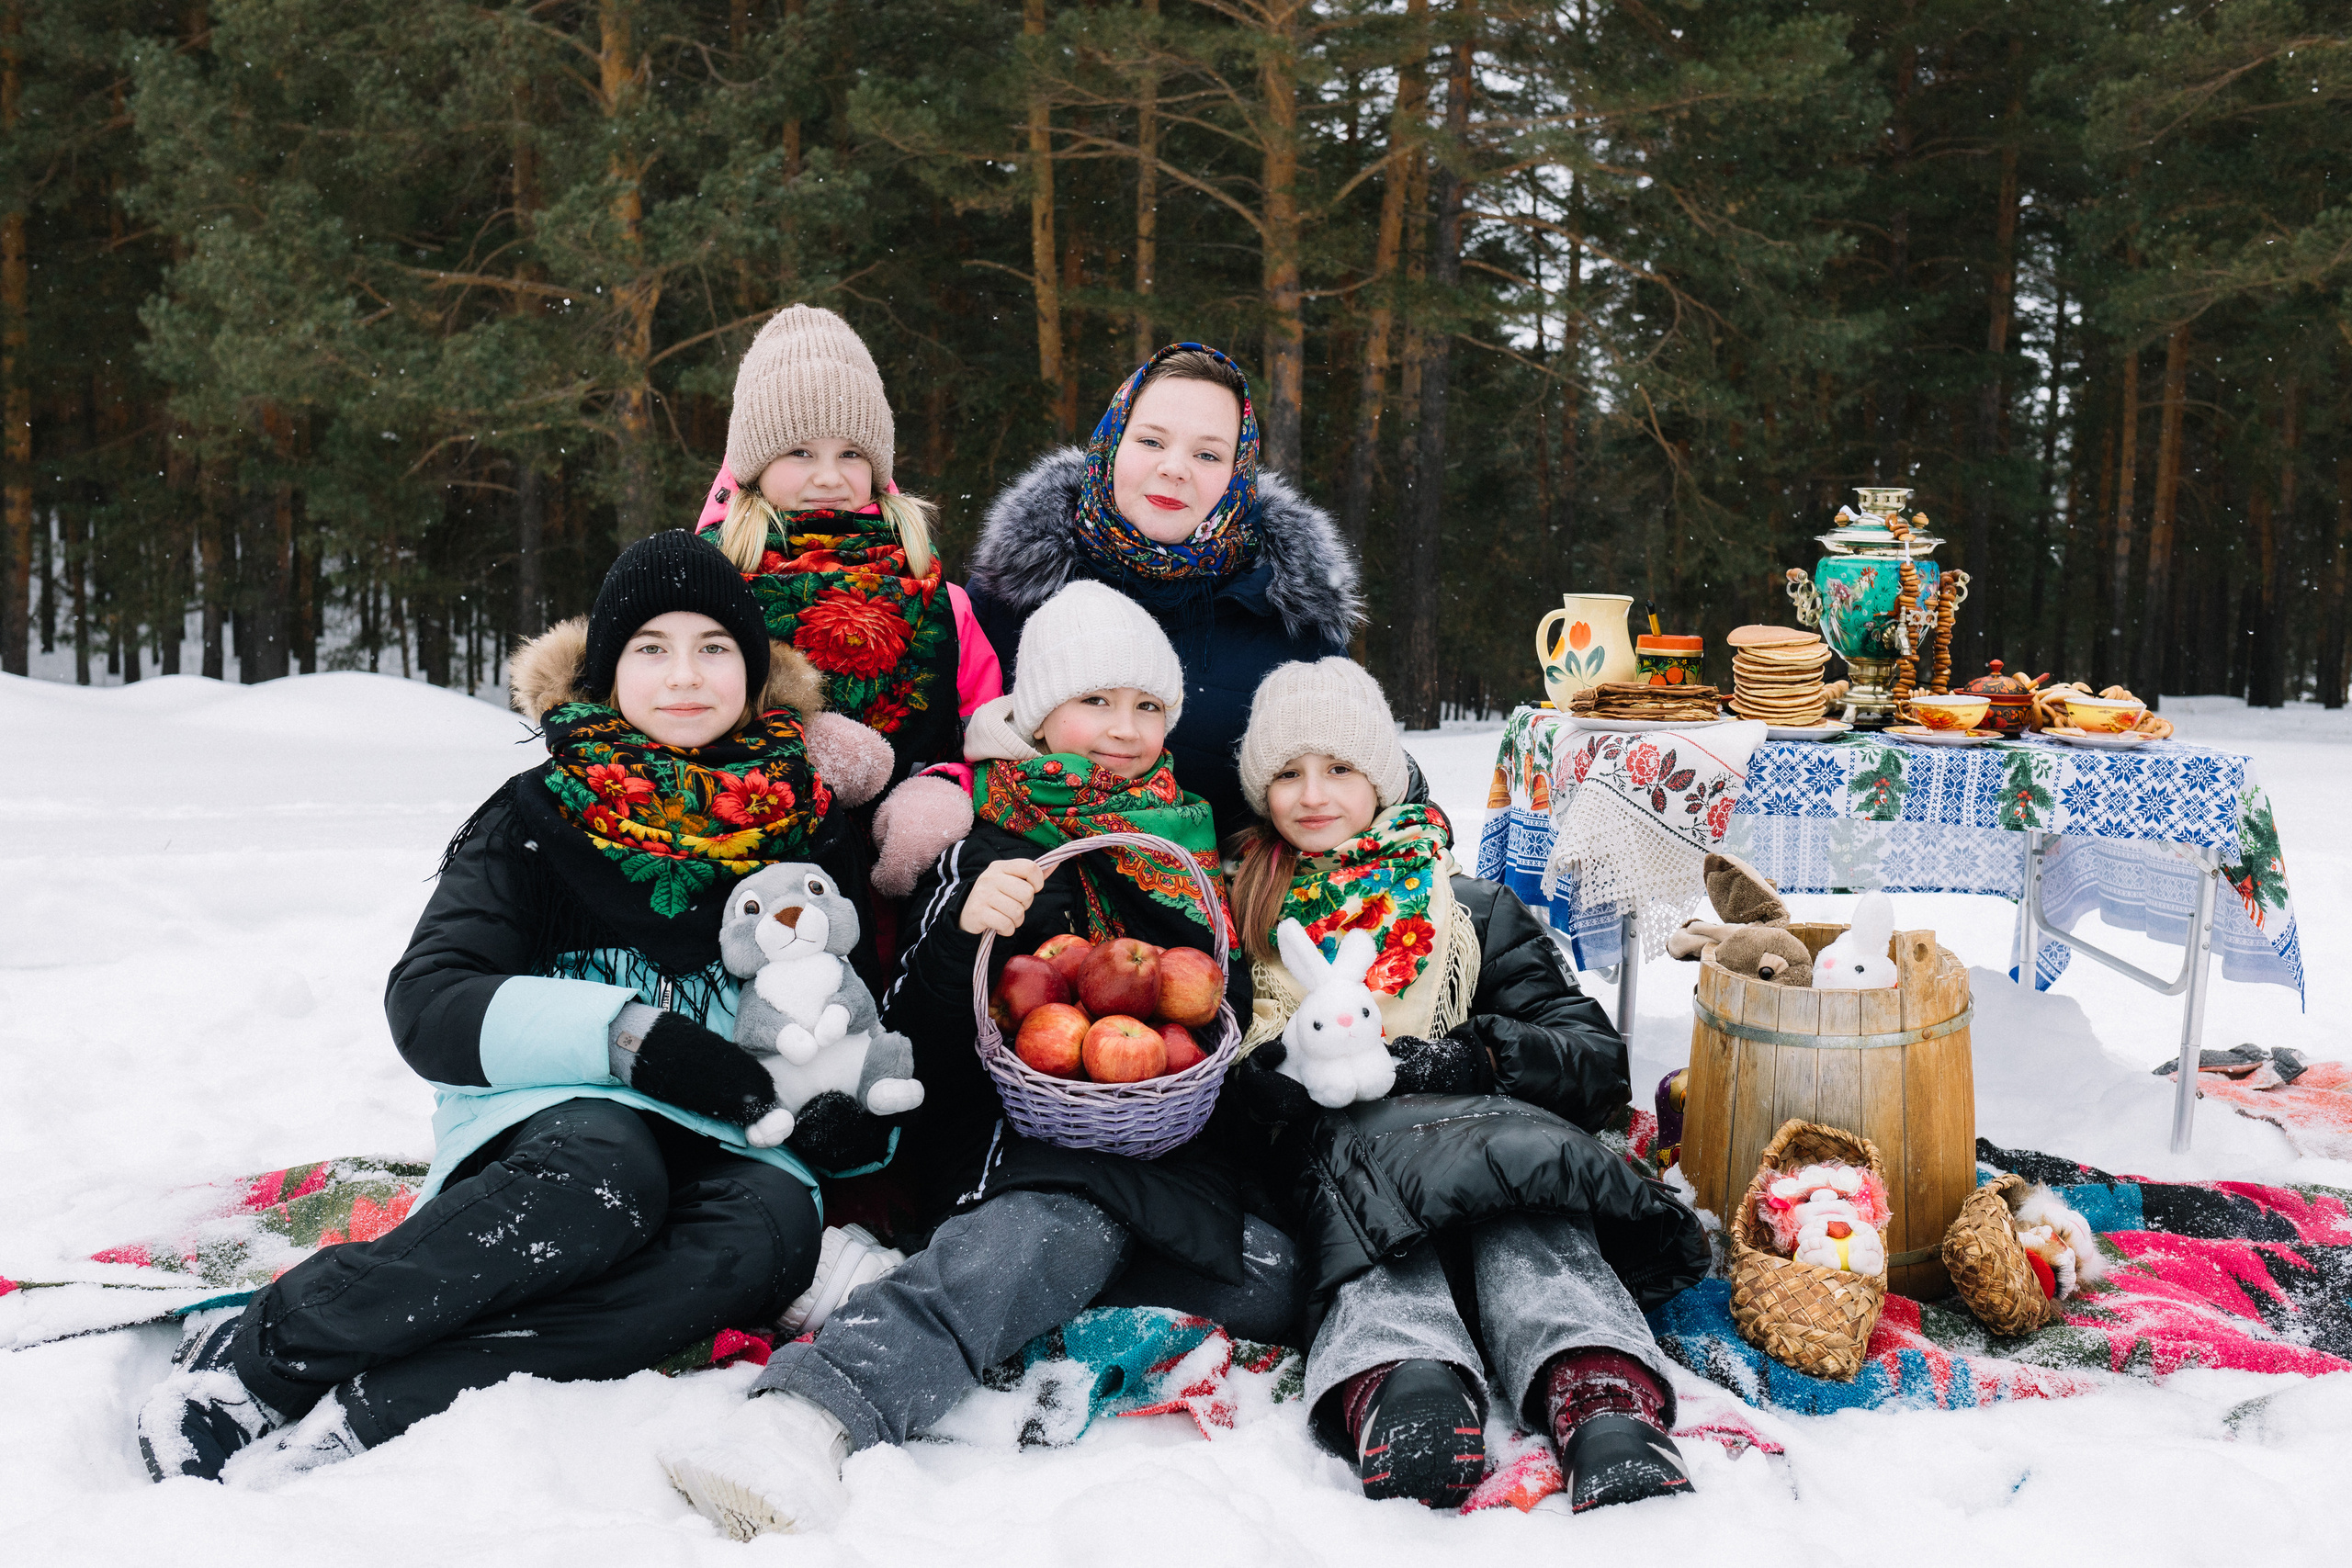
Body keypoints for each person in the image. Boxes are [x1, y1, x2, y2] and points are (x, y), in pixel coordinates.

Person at [134, 531, 894, 1483]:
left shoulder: (811, 824)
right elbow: (430, 1001)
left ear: (753, 670)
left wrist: (844, 1122)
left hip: (739, 1131)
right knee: (604, 1180)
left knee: (760, 1241)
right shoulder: (533, 814)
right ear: (608, 669)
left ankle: (394, 1403)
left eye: (713, 647)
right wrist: (629, 1040)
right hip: (557, 1113)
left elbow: (846, 1013)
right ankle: (261, 1366)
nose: (684, 675)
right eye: (650, 648)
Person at [659, 580, 1298, 1541]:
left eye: (1147, 706)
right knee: (1061, 1226)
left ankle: (926, 1294)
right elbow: (913, 1030)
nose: (1123, 729)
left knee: (1276, 1281)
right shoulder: (981, 835)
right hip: (1017, 1139)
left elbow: (1226, 1013)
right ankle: (811, 1412)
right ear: (1040, 714)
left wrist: (1180, 965)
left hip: (1162, 1137)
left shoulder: (1187, 842)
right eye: (1095, 702)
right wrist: (966, 930)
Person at [1221, 658, 1710, 1513]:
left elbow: (1593, 1059)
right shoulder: (1243, 918)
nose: (1312, 793)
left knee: (1519, 1199)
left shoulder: (1469, 910)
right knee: (1372, 1213)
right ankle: (1406, 1383)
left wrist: (1469, 1057)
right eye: (1288, 773)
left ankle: (1595, 1385)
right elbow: (1211, 1072)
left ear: (1380, 774)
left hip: (1488, 1138)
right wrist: (1283, 1084)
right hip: (1340, 1170)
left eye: (1338, 767)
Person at [964, 343, 1357, 832]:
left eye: (1208, 453)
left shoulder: (1294, 620)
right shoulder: (1007, 595)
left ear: (1239, 473)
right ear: (1110, 445)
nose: (1175, 468)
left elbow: (1354, 777)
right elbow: (943, 774)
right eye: (1151, 441)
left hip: (1222, 903)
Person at [695, 304, 1002, 898]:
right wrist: (785, 758)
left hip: (915, 911)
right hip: (761, 907)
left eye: (852, 454)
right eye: (801, 452)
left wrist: (944, 790)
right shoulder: (711, 590)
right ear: (753, 467)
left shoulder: (943, 606)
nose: (830, 476)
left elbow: (996, 740)